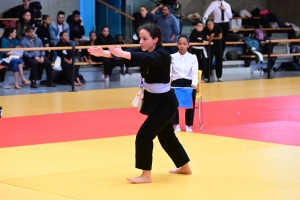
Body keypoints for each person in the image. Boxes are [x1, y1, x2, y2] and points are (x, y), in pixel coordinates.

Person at [88, 23, 192, 184]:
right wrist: (105, 53)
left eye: (145, 39)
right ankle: (185, 167)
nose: (141, 42)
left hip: (166, 103)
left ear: (155, 39)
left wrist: (122, 53)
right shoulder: (144, 51)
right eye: (140, 38)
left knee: (144, 136)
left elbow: (144, 58)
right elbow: (128, 55)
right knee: (166, 136)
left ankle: (146, 175)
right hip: (155, 102)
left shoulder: (163, 54)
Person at [171, 35, 198, 132]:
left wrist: (194, 84)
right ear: (177, 45)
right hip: (176, 82)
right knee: (171, 97)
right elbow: (170, 73)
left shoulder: (193, 57)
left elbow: (195, 72)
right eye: (180, 44)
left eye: (184, 44)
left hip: (188, 82)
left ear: (188, 45)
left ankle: (188, 124)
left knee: (191, 94)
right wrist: (168, 84)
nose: (182, 46)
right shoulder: (172, 57)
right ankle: (175, 124)